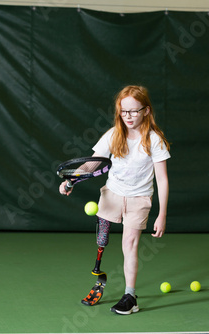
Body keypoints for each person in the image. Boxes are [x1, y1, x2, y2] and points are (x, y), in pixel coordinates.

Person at [59, 85, 171, 315]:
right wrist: (70, 181)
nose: (129, 116)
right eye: (124, 111)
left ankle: (130, 296)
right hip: (112, 195)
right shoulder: (113, 134)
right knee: (102, 239)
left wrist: (162, 214)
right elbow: (93, 164)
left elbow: (162, 179)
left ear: (146, 111)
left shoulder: (154, 140)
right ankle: (100, 276)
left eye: (134, 111)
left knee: (129, 244)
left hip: (139, 199)